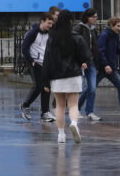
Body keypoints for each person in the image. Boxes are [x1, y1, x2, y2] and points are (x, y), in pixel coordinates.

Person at [43, 9, 92, 144]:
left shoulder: (52, 38)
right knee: (73, 105)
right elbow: (86, 56)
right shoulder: (77, 37)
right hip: (73, 75)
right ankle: (74, 123)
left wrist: (45, 81)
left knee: (60, 106)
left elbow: (47, 60)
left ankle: (61, 134)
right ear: (71, 21)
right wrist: (84, 62)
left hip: (57, 77)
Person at [20, 13, 54, 122]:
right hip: (35, 63)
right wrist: (32, 62)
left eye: (51, 24)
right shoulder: (33, 33)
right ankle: (25, 105)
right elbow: (24, 48)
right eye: (49, 23)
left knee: (46, 87)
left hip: (45, 64)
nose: (50, 25)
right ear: (42, 21)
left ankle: (45, 112)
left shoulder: (49, 34)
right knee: (39, 85)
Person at [96, 17, 120, 119]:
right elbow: (100, 51)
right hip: (103, 68)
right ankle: (77, 108)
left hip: (111, 68)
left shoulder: (115, 36)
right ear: (111, 25)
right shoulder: (105, 35)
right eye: (118, 26)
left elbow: (119, 50)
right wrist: (106, 65)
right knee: (90, 89)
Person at [74, 8, 102, 121]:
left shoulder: (93, 30)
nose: (95, 19)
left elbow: (96, 48)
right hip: (81, 62)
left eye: (96, 17)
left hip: (91, 62)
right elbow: (76, 46)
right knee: (79, 88)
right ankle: (75, 109)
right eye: (93, 17)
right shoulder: (79, 28)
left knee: (92, 88)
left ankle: (89, 111)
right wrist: (81, 60)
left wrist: (97, 64)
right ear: (87, 17)